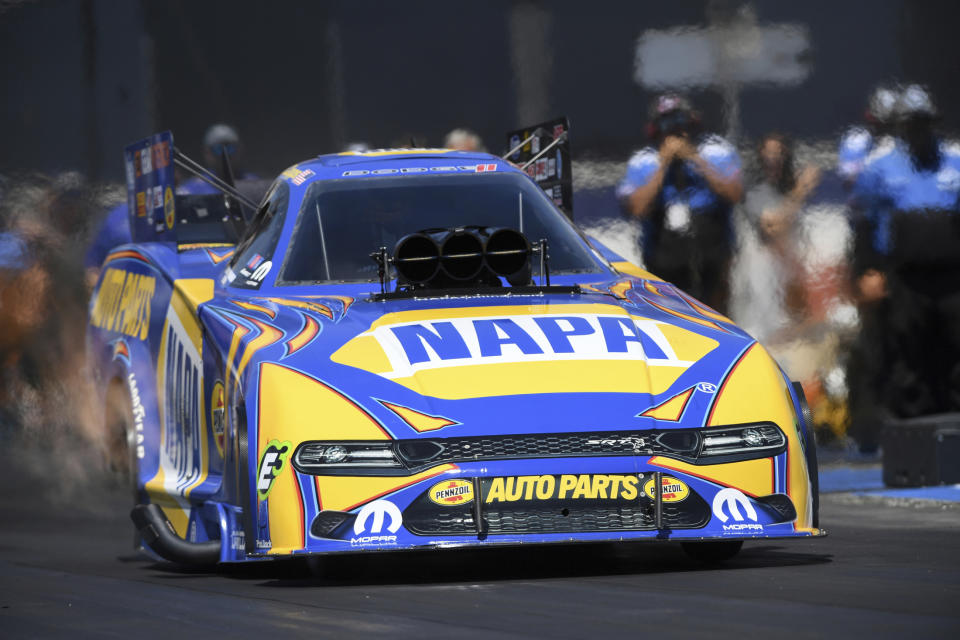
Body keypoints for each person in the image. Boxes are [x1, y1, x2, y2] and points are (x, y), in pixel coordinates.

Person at [847, 84, 960, 450]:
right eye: (911, 124)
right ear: (900, 127)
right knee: (908, 353)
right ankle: (916, 434)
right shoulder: (880, 168)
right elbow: (863, 221)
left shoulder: (954, 162)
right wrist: (867, 270)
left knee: (954, 350)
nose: (918, 131)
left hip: (952, 275)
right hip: (905, 276)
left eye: (924, 123)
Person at [617, 93, 743, 312]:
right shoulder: (643, 161)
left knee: (716, 307)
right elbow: (636, 209)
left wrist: (695, 159)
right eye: (667, 124)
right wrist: (663, 164)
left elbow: (735, 194)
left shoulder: (717, 151)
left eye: (680, 122)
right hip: (664, 252)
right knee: (673, 311)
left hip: (712, 247)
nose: (675, 130)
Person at [837, 85, 900, 185]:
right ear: (869, 115)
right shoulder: (856, 141)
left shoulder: (904, 145)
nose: (883, 126)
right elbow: (848, 181)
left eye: (889, 122)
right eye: (880, 121)